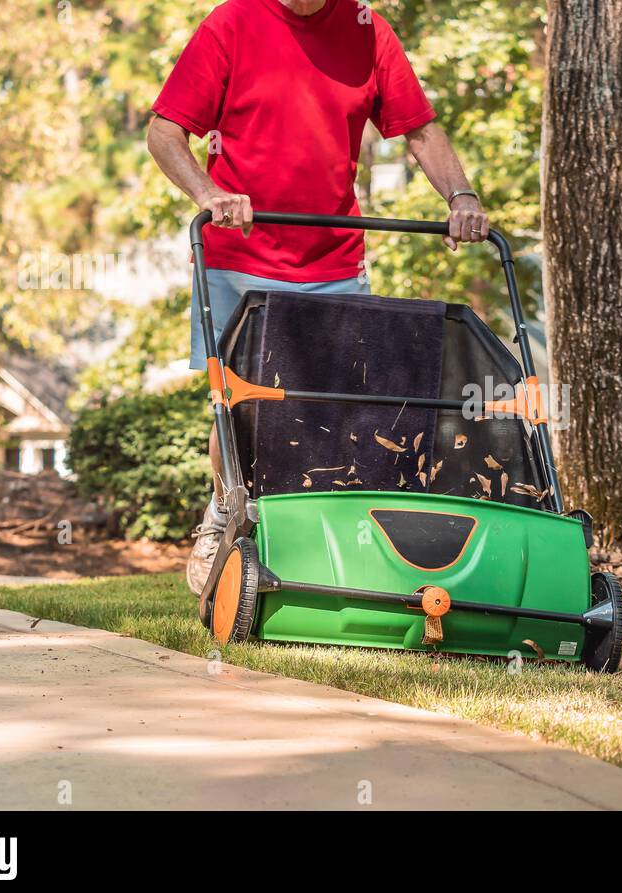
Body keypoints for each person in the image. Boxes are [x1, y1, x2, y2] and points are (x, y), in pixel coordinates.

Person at [147, 0, 490, 594]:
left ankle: (326, 540)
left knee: (338, 409)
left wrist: (460, 197)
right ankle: (226, 514)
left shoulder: (366, 29)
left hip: (333, 258)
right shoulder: (233, 23)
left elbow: (420, 130)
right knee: (239, 405)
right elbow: (164, 133)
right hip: (241, 256)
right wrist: (207, 192)